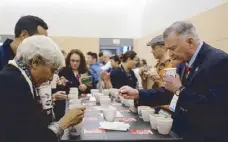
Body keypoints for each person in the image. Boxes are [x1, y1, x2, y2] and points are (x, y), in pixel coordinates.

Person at [119, 21, 228, 142]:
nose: (170, 54)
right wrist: (138, 93)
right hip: (180, 132)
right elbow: (169, 93)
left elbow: (216, 109)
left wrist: (179, 90)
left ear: (190, 42)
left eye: (173, 48)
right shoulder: (183, 62)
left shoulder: (219, 61)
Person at [0, 36, 85, 142]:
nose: (50, 78)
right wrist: (64, 123)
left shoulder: (16, 76)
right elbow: (31, 137)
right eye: (52, 70)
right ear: (35, 62)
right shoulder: (14, 83)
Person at [54, 49, 95, 120]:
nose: (75, 63)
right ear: (69, 60)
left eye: (77, 61)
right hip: (66, 106)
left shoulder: (84, 71)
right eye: (72, 61)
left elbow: (91, 88)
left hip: (82, 105)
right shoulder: (63, 71)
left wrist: (86, 87)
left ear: (81, 61)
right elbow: (59, 90)